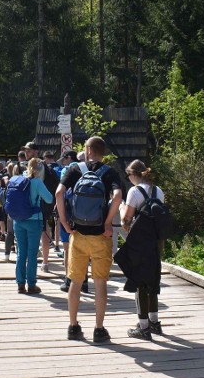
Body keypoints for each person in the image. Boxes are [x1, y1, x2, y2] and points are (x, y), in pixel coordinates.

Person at [57, 136, 122, 343]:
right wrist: (107, 222)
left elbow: (59, 193)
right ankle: (99, 329)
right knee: (100, 283)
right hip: (100, 237)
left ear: (87, 150)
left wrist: (66, 223)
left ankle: (73, 326)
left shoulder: (75, 170)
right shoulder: (109, 173)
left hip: (78, 235)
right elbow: (118, 196)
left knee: (76, 282)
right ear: (103, 152)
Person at [119, 160, 165, 340]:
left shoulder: (134, 191)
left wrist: (122, 208)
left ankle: (143, 327)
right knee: (153, 281)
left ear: (133, 174)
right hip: (156, 242)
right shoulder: (158, 190)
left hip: (140, 244)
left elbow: (126, 222)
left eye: (128, 175)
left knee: (140, 282)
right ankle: (154, 322)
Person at [11, 158, 54, 294]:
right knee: (32, 253)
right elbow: (49, 199)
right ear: (39, 170)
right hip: (34, 221)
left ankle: (20, 284)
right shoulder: (37, 182)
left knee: (21, 253)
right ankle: (31, 284)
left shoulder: (17, 180)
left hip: (18, 220)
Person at [57, 150, 88, 294]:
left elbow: (59, 193)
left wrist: (62, 219)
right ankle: (85, 282)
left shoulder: (67, 170)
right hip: (87, 217)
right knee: (84, 249)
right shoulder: (90, 170)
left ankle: (68, 280)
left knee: (68, 249)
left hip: (69, 215)